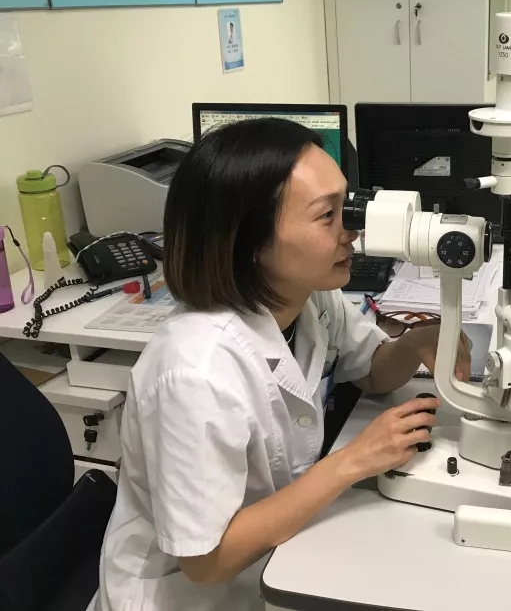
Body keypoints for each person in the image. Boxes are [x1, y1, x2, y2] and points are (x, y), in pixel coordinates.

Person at [96, 118, 470, 611]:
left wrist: (418, 342)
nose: (352, 230)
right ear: (251, 242)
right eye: (328, 215)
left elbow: (374, 371)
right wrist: (352, 461)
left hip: (280, 556)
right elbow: (205, 562)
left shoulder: (306, 297)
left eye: (347, 205)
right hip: (191, 596)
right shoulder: (194, 373)